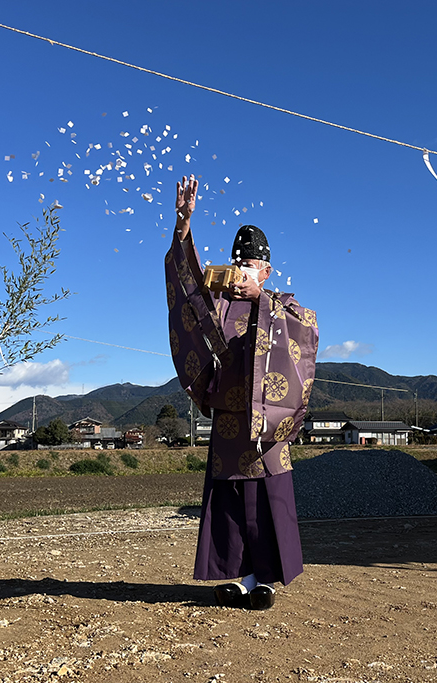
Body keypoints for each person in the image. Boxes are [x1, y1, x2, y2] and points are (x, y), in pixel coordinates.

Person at [164, 175, 319, 610]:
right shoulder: (219, 304)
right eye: (239, 265)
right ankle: (247, 578)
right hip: (231, 422)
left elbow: (307, 331)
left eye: (252, 266)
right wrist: (183, 226)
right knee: (233, 505)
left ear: (267, 271)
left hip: (268, 425)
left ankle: (266, 580)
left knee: (267, 503)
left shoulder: (286, 307)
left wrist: (261, 300)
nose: (244, 272)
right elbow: (186, 288)